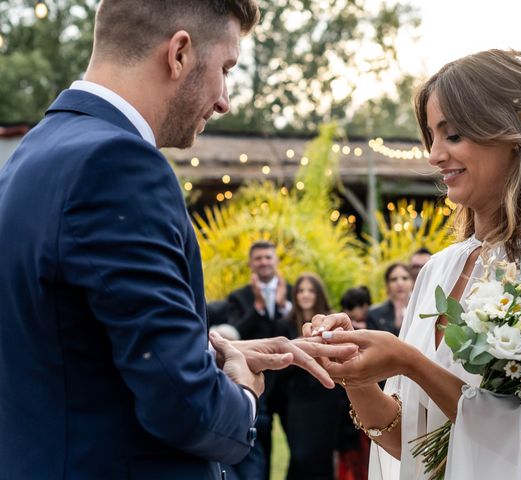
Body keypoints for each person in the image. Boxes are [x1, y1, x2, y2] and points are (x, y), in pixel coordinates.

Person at [0, 2, 357, 479]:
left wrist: (207, 355)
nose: (225, 99)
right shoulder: (118, 164)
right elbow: (183, 403)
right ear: (180, 54)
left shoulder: (33, 154)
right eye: (226, 69)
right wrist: (242, 393)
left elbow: (69, 343)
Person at [306, 49, 521, 479]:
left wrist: (410, 362)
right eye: (432, 136)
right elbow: (412, 447)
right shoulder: (439, 270)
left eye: (454, 135)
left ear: (520, 129)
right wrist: (358, 374)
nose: (434, 155)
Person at [226, 240, 294, 478]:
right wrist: (257, 306)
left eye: (268, 257)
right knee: (259, 446)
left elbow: (292, 335)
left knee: (298, 447)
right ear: (251, 264)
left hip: (289, 384)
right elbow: (235, 335)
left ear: (276, 260)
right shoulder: (238, 297)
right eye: (259, 258)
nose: (264, 262)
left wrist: (280, 306)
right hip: (257, 384)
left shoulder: (294, 292)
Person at [280, 273, 355, 480]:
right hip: (298, 397)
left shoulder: (330, 323)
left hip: (326, 395)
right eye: (301, 290)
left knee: (323, 454)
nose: (305, 295)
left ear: (319, 294)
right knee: (299, 455)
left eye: (310, 290)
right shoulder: (284, 324)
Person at [367, 263, 414, 336]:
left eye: (405, 278)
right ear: (387, 285)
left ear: (413, 282)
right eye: (394, 279)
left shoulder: (421, 310)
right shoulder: (374, 314)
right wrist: (397, 325)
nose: (400, 283)